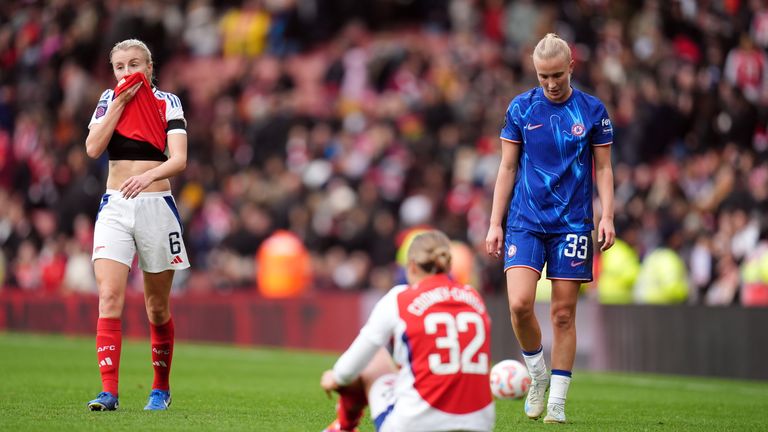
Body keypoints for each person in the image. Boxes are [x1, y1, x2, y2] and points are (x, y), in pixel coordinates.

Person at [485, 33, 615, 424]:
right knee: (520, 305)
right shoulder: (521, 108)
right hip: (525, 220)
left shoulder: (592, 111)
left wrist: (606, 215)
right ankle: (537, 375)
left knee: (562, 314)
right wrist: (495, 222)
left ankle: (556, 400)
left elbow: (605, 168)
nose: (551, 83)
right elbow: (507, 167)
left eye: (557, 74)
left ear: (571, 67)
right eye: (543, 76)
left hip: (573, 224)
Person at [84, 39, 189, 411]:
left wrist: (148, 178)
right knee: (109, 297)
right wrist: (118, 104)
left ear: (149, 67)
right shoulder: (106, 99)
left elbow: (179, 159)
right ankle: (109, 392)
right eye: (120, 67)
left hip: (156, 204)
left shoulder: (167, 102)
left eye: (135, 65)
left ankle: (160, 388)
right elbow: (93, 147)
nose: (127, 73)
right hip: (115, 204)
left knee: (156, 307)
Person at [320, 230, 495, 432]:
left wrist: (335, 377)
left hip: (417, 423)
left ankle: (343, 427)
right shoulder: (475, 298)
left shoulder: (399, 298)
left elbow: (348, 369)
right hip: (478, 423)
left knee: (374, 357)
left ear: (411, 266)